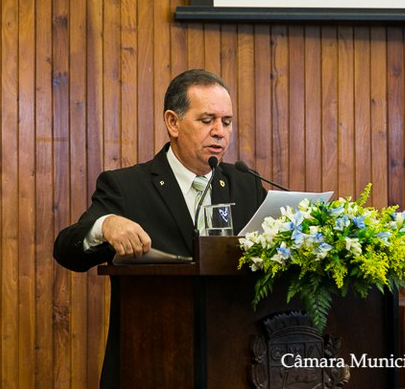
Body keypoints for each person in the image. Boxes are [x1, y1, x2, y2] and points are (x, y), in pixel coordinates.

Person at [53, 69, 267, 387]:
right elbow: (66, 250)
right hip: (151, 362)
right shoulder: (128, 187)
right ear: (172, 122)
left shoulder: (245, 185)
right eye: (207, 120)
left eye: (227, 122)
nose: (220, 132)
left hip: (233, 365)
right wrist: (105, 225)